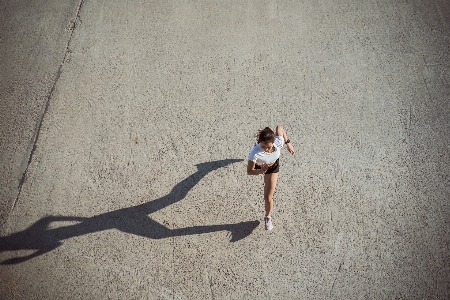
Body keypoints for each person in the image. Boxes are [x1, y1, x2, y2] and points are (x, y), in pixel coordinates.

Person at [247, 125, 295, 230]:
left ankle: (268, 217)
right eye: (263, 146)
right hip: (261, 166)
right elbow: (249, 171)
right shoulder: (255, 152)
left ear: (273, 142)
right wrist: (261, 171)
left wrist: (288, 143)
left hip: (273, 167)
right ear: (259, 143)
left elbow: (280, 127)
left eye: (268, 147)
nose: (266, 150)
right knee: (267, 196)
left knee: (268, 197)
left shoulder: (278, 142)